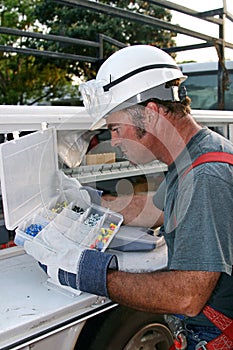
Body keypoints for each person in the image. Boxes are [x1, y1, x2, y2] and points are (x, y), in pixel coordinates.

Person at [25, 45, 233, 349]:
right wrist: (85, 202)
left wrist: (86, 272)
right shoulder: (196, 153)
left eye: (116, 128)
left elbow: (186, 296)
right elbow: (154, 208)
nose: (115, 141)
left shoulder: (205, 176)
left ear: (149, 115)